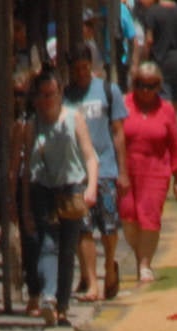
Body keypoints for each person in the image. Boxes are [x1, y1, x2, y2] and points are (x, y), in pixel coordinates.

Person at [23, 71, 101, 329]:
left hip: (71, 188)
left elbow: (90, 156)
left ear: (60, 94)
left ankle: (63, 305)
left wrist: (91, 187)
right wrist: (24, 206)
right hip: (43, 188)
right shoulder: (32, 125)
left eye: (52, 94)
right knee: (47, 243)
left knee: (67, 248)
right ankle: (48, 296)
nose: (47, 100)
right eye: (42, 95)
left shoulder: (73, 118)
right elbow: (26, 170)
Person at [64, 46, 128, 303]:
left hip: (106, 170)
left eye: (84, 67)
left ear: (91, 65)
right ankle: (91, 281)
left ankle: (110, 265)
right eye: (76, 69)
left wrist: (123, 171)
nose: (81, 73)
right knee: (84, 228)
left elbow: (118, 132)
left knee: (109, 226)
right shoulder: (66, 97)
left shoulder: (108, 91)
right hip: (77, 173)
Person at [120, 62, 177, 285]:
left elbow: (175, 145)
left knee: (149, 217)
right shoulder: (124, 104)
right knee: (128, 217)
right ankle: (141, 255)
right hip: (127, 170)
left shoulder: (166, 109)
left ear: (159, 86)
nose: (145, 91)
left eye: (151, 86)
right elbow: (115, 136)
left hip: (155, 171)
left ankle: (145, 264)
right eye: (140, 85)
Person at [138, 0, 177, 139]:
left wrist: (143, 59)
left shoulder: (152, 12)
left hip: (160, 61)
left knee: (165, 102)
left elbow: (149, 40)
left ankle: (168, 138)